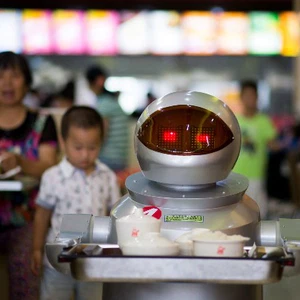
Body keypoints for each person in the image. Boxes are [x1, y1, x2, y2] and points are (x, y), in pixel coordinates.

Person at [31, 106, 120, 300]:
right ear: (63, 143)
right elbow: (42, 214)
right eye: (78, 148)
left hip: (94, 261)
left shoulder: (107, 177)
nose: (85, 155)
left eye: (92, 147)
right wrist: (37, 249)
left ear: (101, 142)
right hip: (57, 261)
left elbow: (113, 215)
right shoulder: (52, 176)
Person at [0, 51, 58, 299]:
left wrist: (20, 162)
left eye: (15, 76)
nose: (7, 83)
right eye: (1, 76)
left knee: (26, 285)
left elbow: (48, 165)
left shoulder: (42, 122)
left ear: (27, 81)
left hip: (28, 221)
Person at [233, 80, 277, 218]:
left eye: (253, 95)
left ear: (257, 97)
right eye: (247, 95)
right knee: (237, 214)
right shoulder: (234, 121)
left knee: (257, 213)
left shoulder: (264, 121)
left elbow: (273, 145)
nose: (250, 99)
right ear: (241, 97)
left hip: (256, 176)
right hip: (235, 175)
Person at [85, 65, 129, 172]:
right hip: (120, 158)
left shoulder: (104, 104)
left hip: (109, 159)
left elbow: (102, 134)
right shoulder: (111, 101)